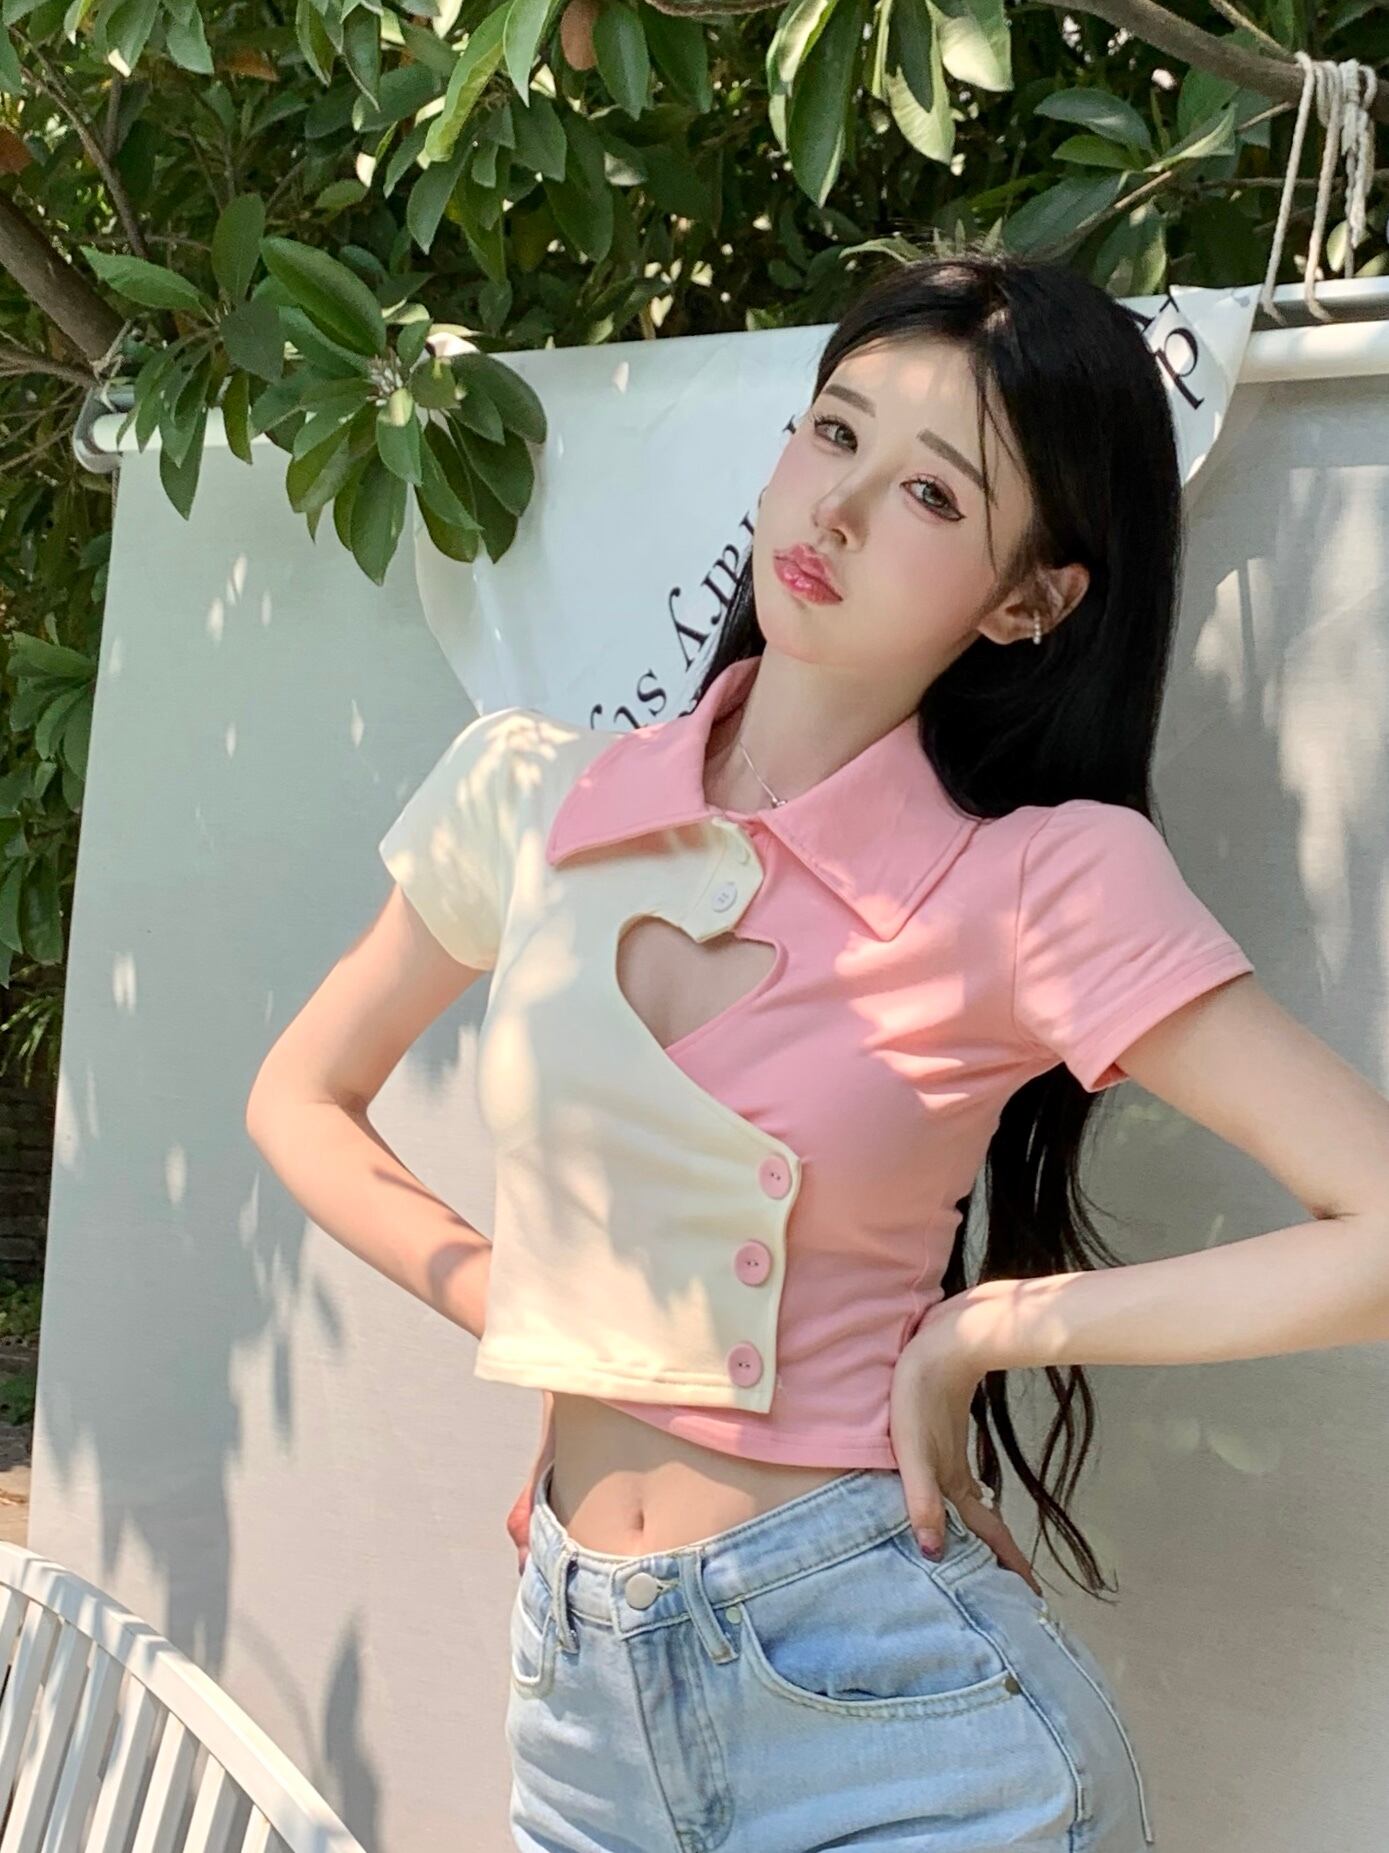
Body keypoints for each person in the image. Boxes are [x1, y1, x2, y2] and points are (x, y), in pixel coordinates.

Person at [246, 249, 1389, 1852]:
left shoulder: (1038, 879)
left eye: (930, 492)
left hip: (899, 1709)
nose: (834, 509)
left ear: (1029, 598)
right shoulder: (532, 793)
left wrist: (981, 1326)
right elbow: (301, 1096)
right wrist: (529, 1301)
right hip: (578, 1696)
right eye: (833, 431)